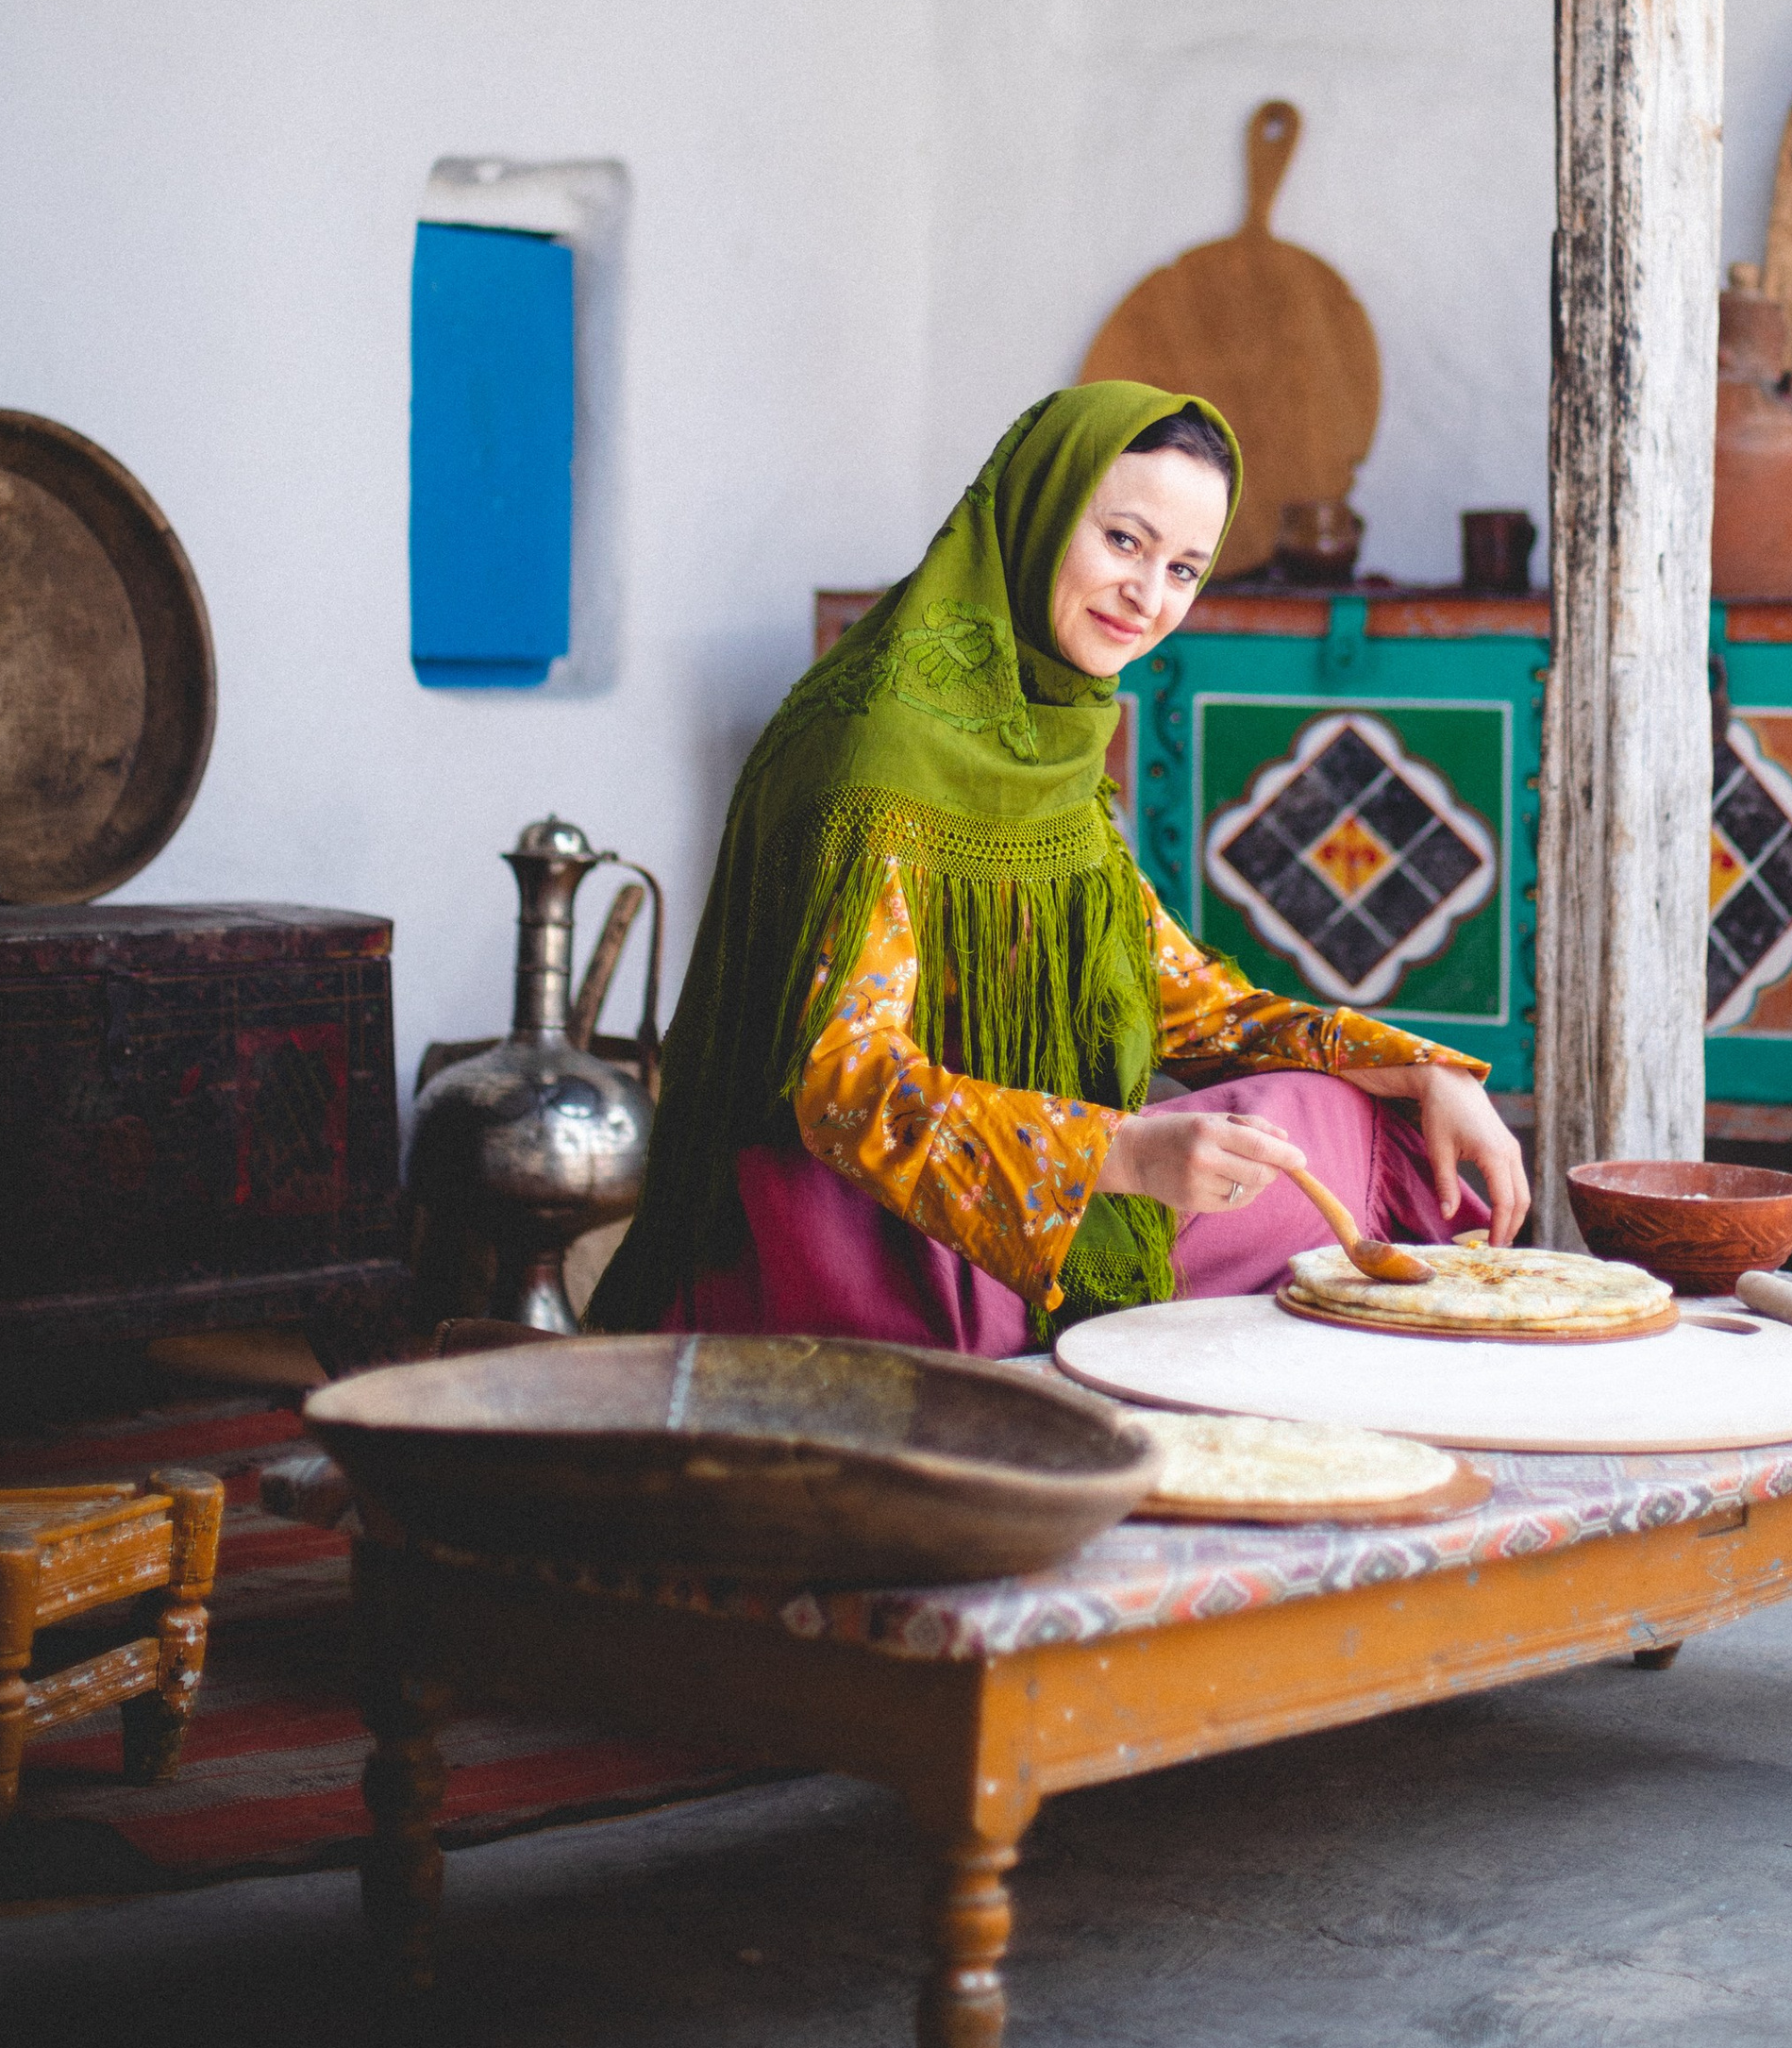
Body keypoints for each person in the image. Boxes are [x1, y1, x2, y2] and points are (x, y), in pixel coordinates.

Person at [589, 382, 1530, 1351]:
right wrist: (1117, 1155)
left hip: (1039, 1198)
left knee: (1340, 1120)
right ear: (1036, 514)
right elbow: (846, 1083)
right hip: (862, 1235)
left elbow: (1184, 1002)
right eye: (1123, 541)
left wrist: (1421, 1073)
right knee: (1258, 1197)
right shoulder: (876, 748)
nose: (1148, 597)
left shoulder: (1053, 738)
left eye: (1183, 568)